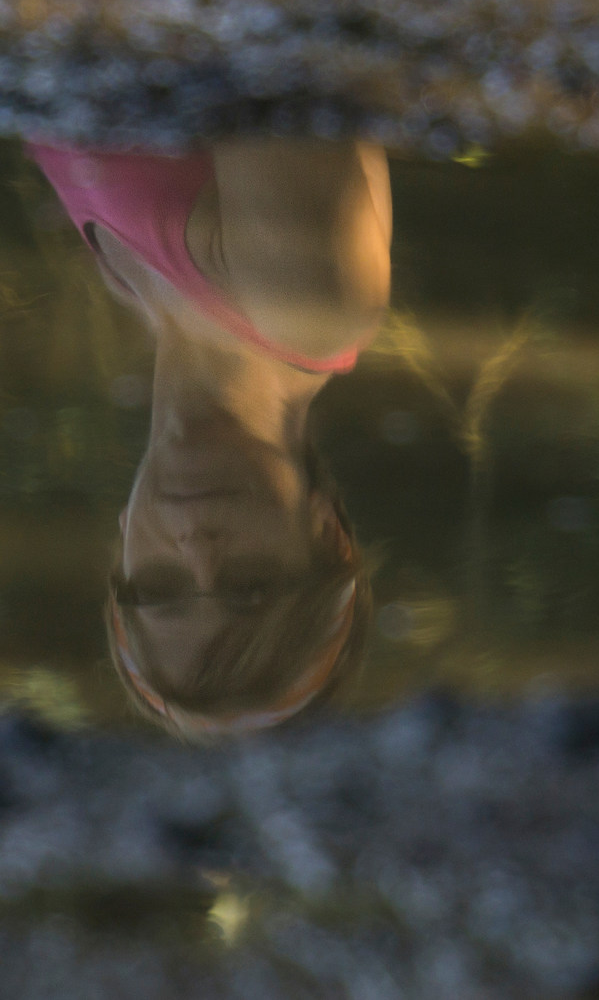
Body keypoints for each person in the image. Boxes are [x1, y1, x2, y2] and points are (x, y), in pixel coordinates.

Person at [29, 134, 391, 737]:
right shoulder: (310, 304)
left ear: (122, 547)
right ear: (327, 534)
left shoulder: (128, 286)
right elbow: (272, 80)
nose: (196, 548)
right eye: (250, 582)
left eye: (158, 585)